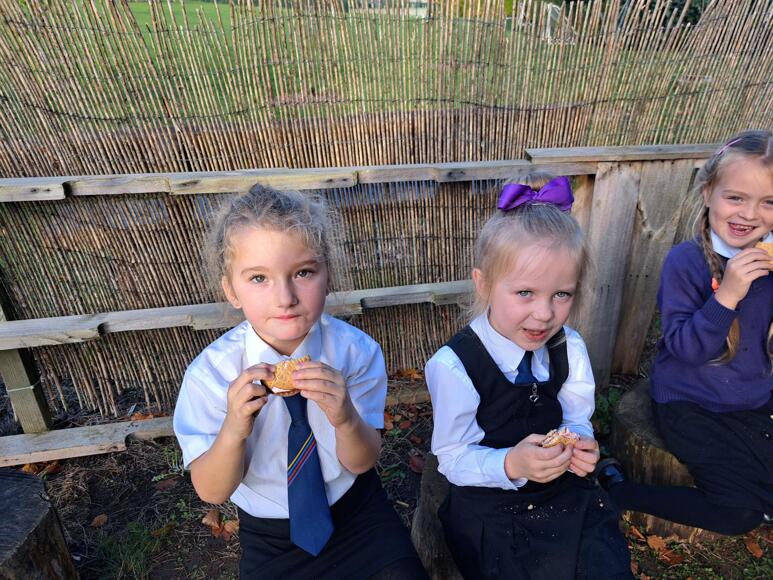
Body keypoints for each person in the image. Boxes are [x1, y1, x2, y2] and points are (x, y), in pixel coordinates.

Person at [173, 184, 427, 579]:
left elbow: (362, 461)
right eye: (259, 278)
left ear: (328, 276)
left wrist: (345, 418)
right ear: (231, 290)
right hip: (269, 535)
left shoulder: (355, 353)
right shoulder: (211, 375)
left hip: (358, 514)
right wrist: (233, 430)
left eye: (303, 272)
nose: (285, 297)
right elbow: (212, 491)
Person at [425, 172, 632, 580]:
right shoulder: (454, 366)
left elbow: (575, 418)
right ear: (484, 284)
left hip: (562, 492)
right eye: (525, 293)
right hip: (492, 505)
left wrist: (580, 442)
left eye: (562, 294)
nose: (544, 314)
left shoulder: (568, 348)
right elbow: (453, 458)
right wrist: (511, 463)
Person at [597, 129, 773, 535]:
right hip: (690, 401)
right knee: (737, 513)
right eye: (736, 198)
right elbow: (685, 349)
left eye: (768, 202)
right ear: (708, 192)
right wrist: (727, 295)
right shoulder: (686, 262)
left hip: (752, 395)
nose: (749, 214)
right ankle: (620, 493)